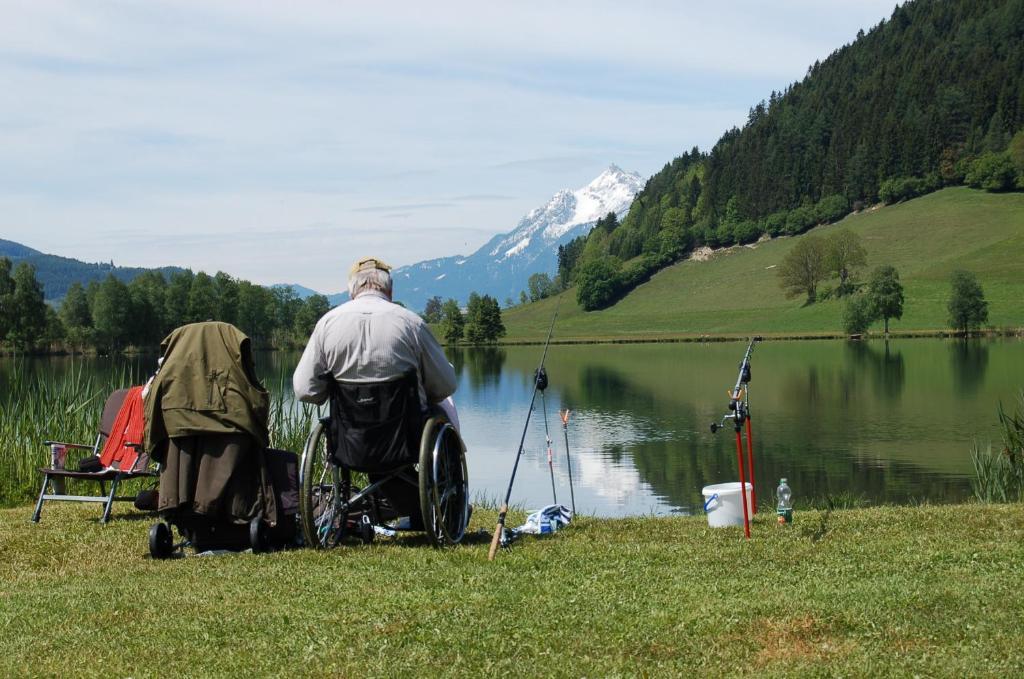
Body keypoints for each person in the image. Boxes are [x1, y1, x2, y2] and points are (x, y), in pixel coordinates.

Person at [292, 255, 459, 429]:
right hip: (407, 439)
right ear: (390, 290)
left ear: (351, 292)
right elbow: (446, 387)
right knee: (444, 406)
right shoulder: (412, 323)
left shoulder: (327, 324)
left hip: (348, 443)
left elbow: (305, 390)